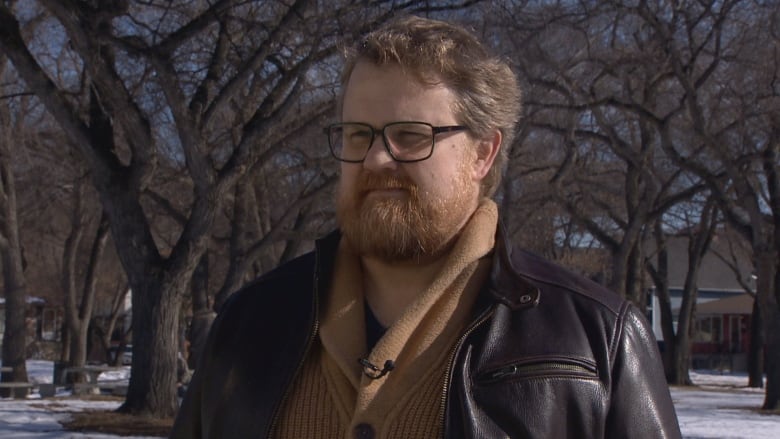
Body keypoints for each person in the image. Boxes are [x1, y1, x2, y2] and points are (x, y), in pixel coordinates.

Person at [170, 15, 682, 439]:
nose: (374, 159)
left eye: (410, 136)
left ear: (483, 153)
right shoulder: (248, 326)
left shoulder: (596, 340)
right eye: (356, 135)